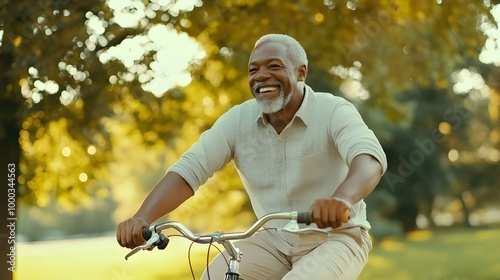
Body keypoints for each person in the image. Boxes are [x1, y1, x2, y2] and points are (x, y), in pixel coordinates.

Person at [116, 33, 387, 280]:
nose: (261, 76)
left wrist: (341, 199)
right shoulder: (237, 120)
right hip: (271, 241)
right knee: (214, 278)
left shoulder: (333, 110)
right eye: (253, 70)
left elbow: (369, 159)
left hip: (335, 237)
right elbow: (190, 170)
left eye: (274, 66)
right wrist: (143, 216)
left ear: (301, 72)